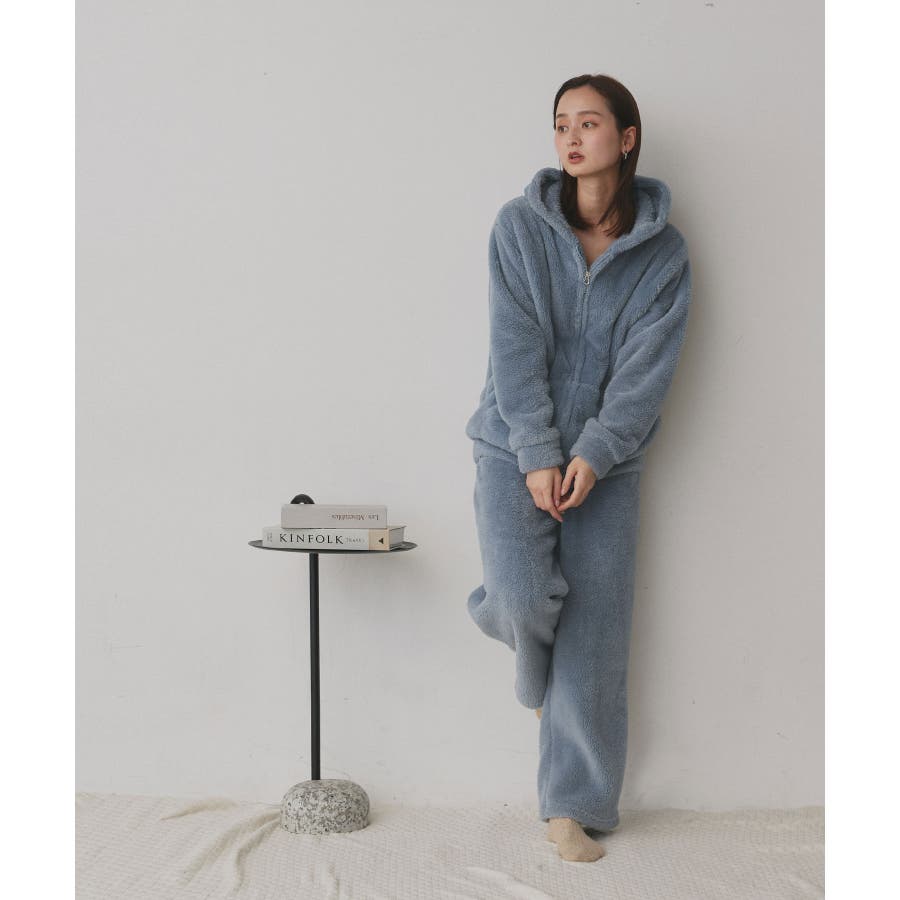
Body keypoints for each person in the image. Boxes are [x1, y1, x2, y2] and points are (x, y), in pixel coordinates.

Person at [465, 73, 693, 863]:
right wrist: (537, 456)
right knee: (520, 598)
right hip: (511, 448)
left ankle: (572, 807)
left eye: (589, 122)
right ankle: (536, 683)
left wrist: (594, 455)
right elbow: (514, 347)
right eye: (562, 122)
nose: (570, 135)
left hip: (610, 469)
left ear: (626, 139)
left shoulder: (664, 255)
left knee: (593, 641)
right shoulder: (519, 228)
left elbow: (645, 374)